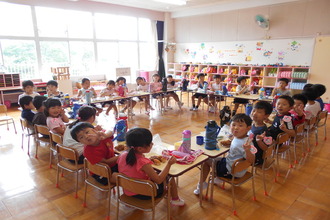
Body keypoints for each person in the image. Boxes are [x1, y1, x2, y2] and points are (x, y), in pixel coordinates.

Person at [117, 128, 185, 206]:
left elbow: (132, 170)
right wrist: (169, 164)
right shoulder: (143, 163)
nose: (152, 144)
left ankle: (167, 194)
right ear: (140, 148)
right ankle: (175, 200)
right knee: (169, 177)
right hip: (145, 194)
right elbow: (158, 180)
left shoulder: (122, 155)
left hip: (128, 190)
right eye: (150, 143)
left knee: (158, 172)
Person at [193, 114, 255, 195]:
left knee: (206, 160)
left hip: (231, 171)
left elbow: (251, 160)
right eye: (233, 124)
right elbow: (238, 148)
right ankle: (218, 178)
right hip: (238, 169)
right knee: (217, 159)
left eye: (240, 125)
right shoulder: (245, 139)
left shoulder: (245, 145)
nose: (236, 127)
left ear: (248, 128)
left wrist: (247, 151)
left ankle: (201, 184)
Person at [249, 101, 273, 165]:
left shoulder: (264, 131)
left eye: (259, 112)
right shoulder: (253, 124)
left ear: (266, 116)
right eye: (253, 110)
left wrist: (259, 141)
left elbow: (266, 148)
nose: (254, 114)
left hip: (256, 157)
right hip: (249, 150)